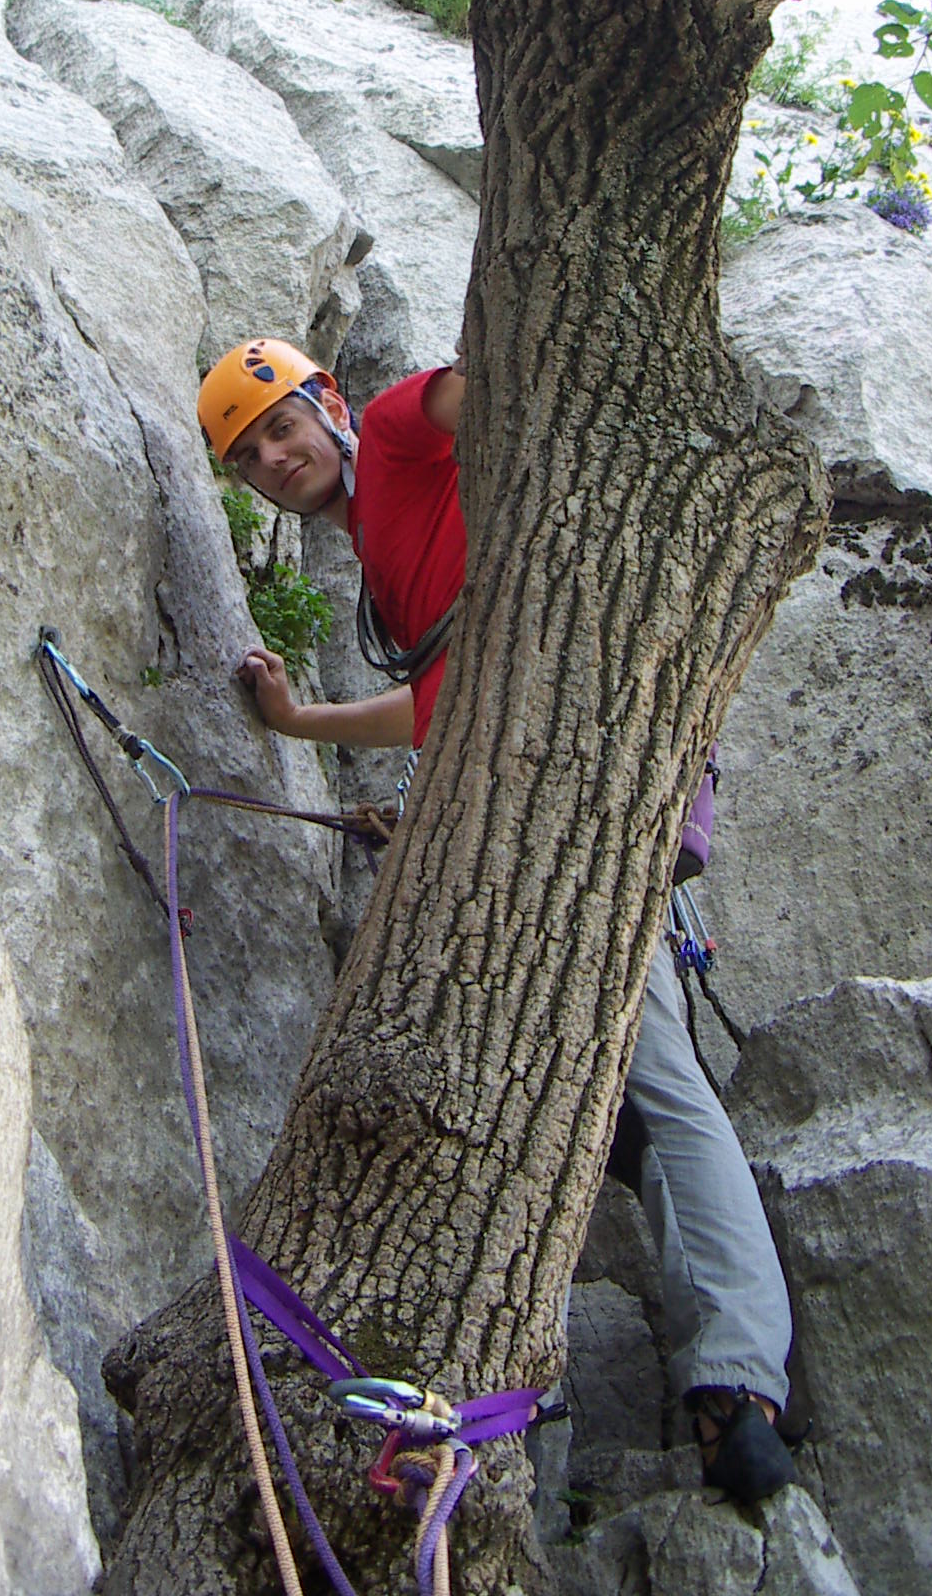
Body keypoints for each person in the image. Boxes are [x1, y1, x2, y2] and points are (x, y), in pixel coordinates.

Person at [197, 337, 797, 1505]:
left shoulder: (398, 430)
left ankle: (739, 1380)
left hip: (586, 774)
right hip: (552, 780)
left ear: (329, 402)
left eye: (281, 425)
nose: (273, 458)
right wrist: (302, 723)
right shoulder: (387, 544)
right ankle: (717, 1361)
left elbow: (521, 378)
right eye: (248, 457)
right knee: (636, 1075)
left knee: (661, 1080)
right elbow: (441, 700)